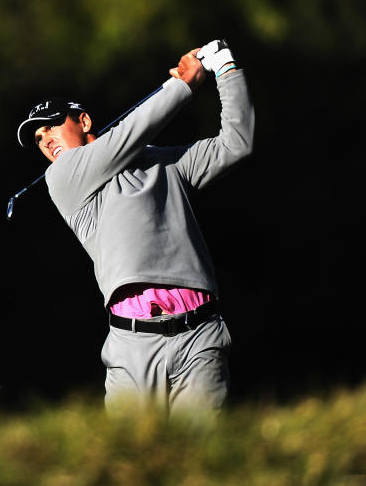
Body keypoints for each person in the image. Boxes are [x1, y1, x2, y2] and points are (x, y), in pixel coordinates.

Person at [16, 40, 254, 414]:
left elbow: (236, 144)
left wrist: (224, 66)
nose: (45, 140)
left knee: (201, 466)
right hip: (131, 345)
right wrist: (183, 86)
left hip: (200, 336)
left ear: (84, 122)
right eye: (38, 138)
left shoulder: (165, 164)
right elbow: (131, 132)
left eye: (51, 126)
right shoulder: (61, 178)